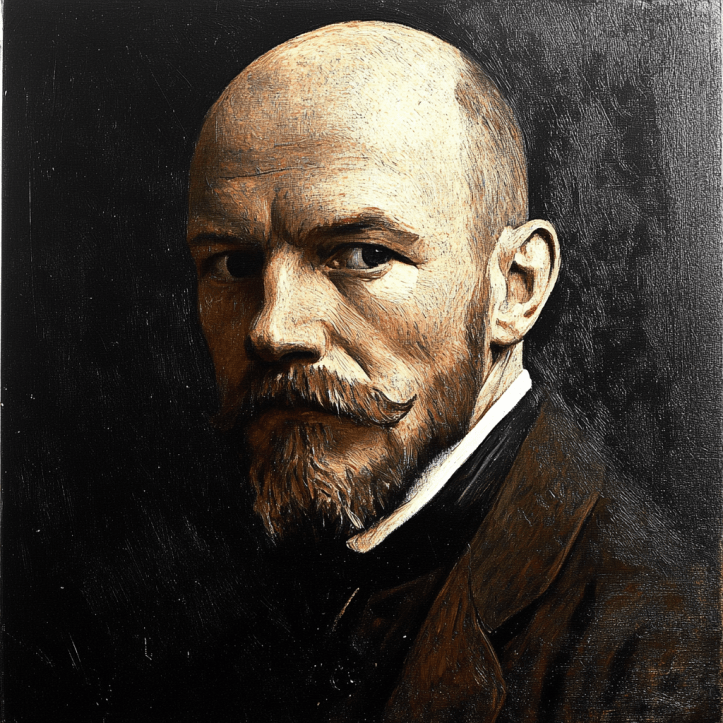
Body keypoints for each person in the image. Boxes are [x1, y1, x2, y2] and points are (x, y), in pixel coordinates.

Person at [186, 21, 714, 722]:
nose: (272, 328)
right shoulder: (242, 622)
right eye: (233, 263)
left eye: (364, 254)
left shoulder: (666, 651)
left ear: (516, 288)